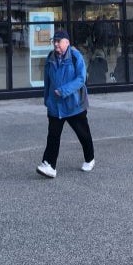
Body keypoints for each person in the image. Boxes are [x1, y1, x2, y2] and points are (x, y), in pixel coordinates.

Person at [36, 30, 95, 179]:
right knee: (53, 136)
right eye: (54, 41)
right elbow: (47, 82)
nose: (56, 44)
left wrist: (63, 91)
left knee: (83, 135)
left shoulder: (76, 57)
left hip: (75, 105)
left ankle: (89, 158)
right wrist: (47, 100)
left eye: (59, 41)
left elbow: (81, 79)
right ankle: (49, 165)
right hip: (55, 106)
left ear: (67, 42)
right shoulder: (50, 58)